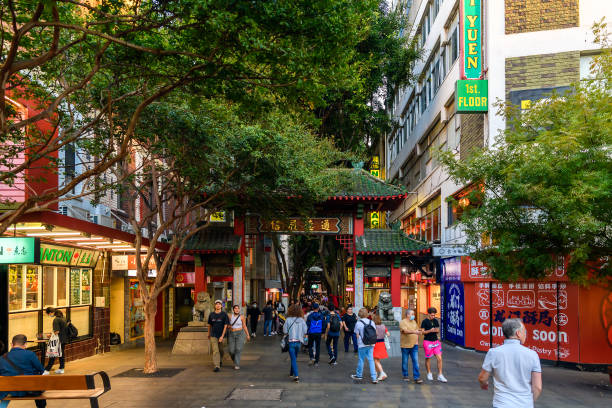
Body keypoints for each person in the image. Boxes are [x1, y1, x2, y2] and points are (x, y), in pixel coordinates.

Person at [478, 318, 542, 408]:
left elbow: (482, 378)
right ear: (518, 334)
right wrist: (528, 402)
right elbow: (537, 387)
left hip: (501, 404)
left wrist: (484, 384)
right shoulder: (532, 355)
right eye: (524, 332)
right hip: (525, 404)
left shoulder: (493, 352)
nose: (525, 335)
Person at [0, 334, 47, 408]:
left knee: (7, 385)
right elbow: (41, 370)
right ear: (25, 344)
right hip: (28, 390)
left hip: (8, 390)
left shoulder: (2, 357)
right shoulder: (30, 354)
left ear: (11, 344)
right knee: (36, 379)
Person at [351, 308, 378, 384]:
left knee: (361, 360)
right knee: (371, 360)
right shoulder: (371, 322)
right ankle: (374, 377)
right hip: (371, 343)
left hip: (362, 344)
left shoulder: (358, 323)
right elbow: (375, 332)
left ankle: (359, 375)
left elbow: (357, 334)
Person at [421, 307, 447, 382]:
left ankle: (440, 375)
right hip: (427, 342)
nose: (433, 316)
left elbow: (438, 330)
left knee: (439, 358)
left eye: (434, 315)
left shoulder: (435, 321)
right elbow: (423, 332)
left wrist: (435, 330)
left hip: (436, 342)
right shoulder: (424, 322)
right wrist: (430, 330)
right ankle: (429, 373)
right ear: (428, 314)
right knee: (428, 358)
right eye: (432, 315)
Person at [284, 304, 308, 383]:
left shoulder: (288, 320)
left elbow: (285, 331)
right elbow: (305, 331)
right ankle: (291, 373)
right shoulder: (302, 320)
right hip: (298, 342)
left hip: (291, 342)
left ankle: (296, 376)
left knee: (293, 359)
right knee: (294, 358)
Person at [400, 309, 423, 383]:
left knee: (416, 361)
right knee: (405, 361)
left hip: (414, 345)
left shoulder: (414, 322)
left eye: (414, 314)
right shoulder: (403, 322)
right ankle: (405, 375)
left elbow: (417, 330)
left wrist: (420, 331)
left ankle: (417, 377)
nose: (414, 315)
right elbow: (405, 331)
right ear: (407, 315)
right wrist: (415, 332)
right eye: (412, 314)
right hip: (405, 345)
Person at [43, 307, 68, 375]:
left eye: (48, 314)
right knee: (61, 354)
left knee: (53, 354)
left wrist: (50, 335)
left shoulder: (56, 320)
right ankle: (61, 368)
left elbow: (56, 331)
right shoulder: (63, 317)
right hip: (64, 339)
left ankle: (47, 370)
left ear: (51, 312)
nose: (49, 316)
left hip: (58, 340)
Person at [208, 300, 229, 372]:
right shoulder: (211, 315)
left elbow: (226, 326)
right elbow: (209, 325)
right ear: (214, 306)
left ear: (221, 306)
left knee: (221, 350)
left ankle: (220, 359)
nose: (218, 305)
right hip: (213, 335)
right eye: (216, 304)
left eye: (219, 304)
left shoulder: (224, 315)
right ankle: (217, 365)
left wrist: (222, 336)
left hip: (222, 335)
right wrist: (209, 334)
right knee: (215, 350)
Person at [227, 305, 250, 370]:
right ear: (233, 310)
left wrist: (247, 335)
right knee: (231, 350)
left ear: (239, 310)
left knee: (238, 348)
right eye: (235, 308)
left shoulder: (242, 317)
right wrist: (229, 326)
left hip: (240, 333)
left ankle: (237, 364)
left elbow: (244, 326)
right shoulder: (230, 316)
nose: (237, 310)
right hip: (231, 334)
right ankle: (235, 360)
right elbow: (227, 324)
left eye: (238, 309)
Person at [372, 314, 389, 381]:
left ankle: (382, 373)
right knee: (377, 360)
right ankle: (375, 373)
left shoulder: (374, 326)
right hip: (382, 344)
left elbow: (375, 334)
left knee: (375, 360)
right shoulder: (383, 326)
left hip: (376, 344)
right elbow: (388, 334)